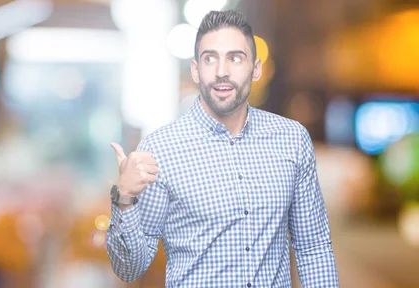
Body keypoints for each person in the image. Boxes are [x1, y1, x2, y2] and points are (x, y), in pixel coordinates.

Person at [106, 10, 339, 288]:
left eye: (235, 58)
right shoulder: (160, 149)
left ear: (256, 69)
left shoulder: (292, 139)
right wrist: (125, 199)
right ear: (196, 70)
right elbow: (129, 269)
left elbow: (313, 247)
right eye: (210, 58)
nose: (221, 71)